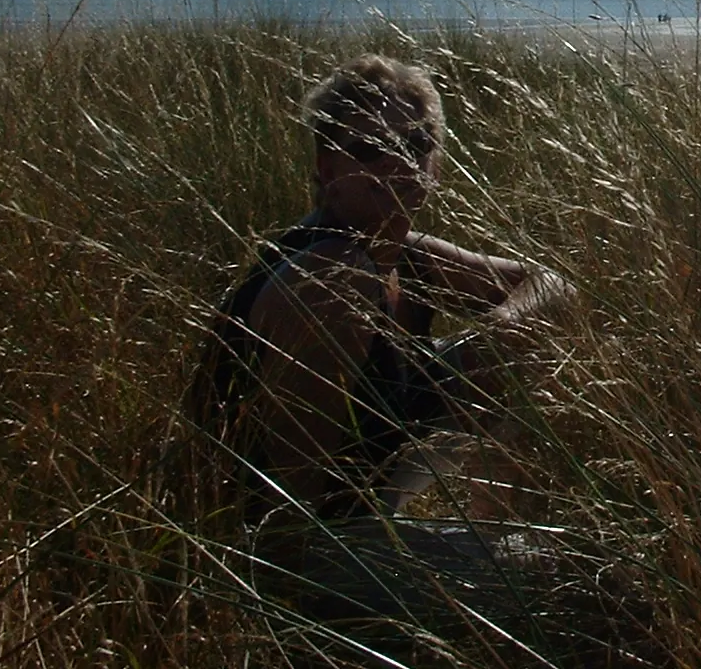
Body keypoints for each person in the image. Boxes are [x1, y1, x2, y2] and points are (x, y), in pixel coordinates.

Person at [194, 54, 639, 665]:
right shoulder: (330, 279)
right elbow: (293, 518)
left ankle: (491, 537)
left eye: (417, 142)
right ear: (327, 169)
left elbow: (550, 284)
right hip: (293, 554)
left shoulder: (400, 252)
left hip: (360, 501)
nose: (400, 162)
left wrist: (502, 334)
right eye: (372, 148)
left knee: (509, 353)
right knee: (594, 583)